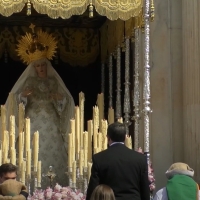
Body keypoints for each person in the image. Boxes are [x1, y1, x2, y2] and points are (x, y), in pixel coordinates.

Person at [4, 26, 75, 187]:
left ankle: (55, 187)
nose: (41, 69)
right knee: (31, 149)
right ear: (33, 68)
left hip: (51, 122)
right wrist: (23, 96)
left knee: (53, 152)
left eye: (43, 65)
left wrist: (60, 99)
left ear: (47, 65)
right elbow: (17, 100)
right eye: (37, 66)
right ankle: (30, 183)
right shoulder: (29, 82)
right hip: (32, 123)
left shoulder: (54, 82)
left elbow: (64, 104)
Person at [86, 122, 150, 200]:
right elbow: (145, 190)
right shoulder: (140, 159)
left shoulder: (99, 158)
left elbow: (93, 190)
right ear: (125, 137)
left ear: (108, 138)